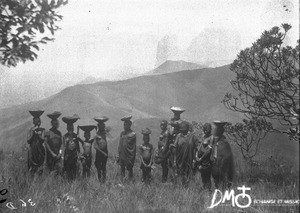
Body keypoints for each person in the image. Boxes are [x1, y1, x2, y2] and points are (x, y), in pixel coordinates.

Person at [172, 121, 199, 187]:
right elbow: (175, 147)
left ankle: (187, 187)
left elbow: (197, 147)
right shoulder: (178, 136)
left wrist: (195, 158)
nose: (182, 131)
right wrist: (175, 159)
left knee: (188, 174)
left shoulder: (192, 136)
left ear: (187, 129)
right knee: (180, 173)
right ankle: (180, 186)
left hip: (189, 158)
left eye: (184, 129)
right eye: (181, 129)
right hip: (180, 159)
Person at [117, 115, 136, 181]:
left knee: (129, 168)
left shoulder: (132, 134)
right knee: (122, 167)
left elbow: (133, 147)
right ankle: (122, 181)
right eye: (124, 124)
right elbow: (120, 144)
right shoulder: (122, 133)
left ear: (130, 125)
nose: (125, 126)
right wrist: (118, 153)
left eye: (126, 124)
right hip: (122, 154)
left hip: (129, 154)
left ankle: (130, 181)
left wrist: (131, 156)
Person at [62, 115, 80, 181]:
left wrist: (79, 155)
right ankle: (68, 182)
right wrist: (62, 157)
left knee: (74, 169)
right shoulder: (65, 136)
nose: (70, 127)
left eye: (71, 126)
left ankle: (74, 183)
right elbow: (63, 147)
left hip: (74, 155)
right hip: (67, 155)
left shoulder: (75, 136)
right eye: (69, 126)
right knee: (68, 169)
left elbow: (78, 146)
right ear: (67, 128)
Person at [195, 123, 213, 189]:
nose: (205, 131)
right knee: (203, 176)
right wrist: (196, 155)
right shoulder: (203, 137)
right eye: (204, 129)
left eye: (207, 129)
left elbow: (208, 151)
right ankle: (205, 188)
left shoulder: (212, 138)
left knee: (207, 176)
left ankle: (208, 190)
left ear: (210, 130)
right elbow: (199, 147)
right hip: (200, 160)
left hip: (207, 160)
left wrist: (201, 159)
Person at [27, 110, 45, 175]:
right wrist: (33, 133)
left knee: (40, 165)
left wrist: (38, 133)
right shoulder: (30, 129)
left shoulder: (42, 130)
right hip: (32, 149)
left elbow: (42, 140)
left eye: (38, 121)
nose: (37, 122)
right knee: (31, 166)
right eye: (36, 121)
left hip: (40, 149)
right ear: (33, 121)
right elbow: (28, 140)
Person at [93, 116, 109, 183]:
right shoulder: (96, 135)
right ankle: (100, 181)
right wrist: (103, 152)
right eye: (101, 125)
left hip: (105, 152)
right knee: (99, 167)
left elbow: (109, 129)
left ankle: (104, 180)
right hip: (99, 153)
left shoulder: (104, 134)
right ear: (98, 126)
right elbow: (95, 146)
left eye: (103, 125)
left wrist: (106, 153)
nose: (103, 126)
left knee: (104, 167)